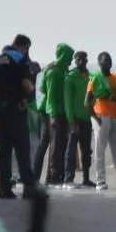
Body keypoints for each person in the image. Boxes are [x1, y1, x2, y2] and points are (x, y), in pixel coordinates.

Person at [0, 34, 36, 199]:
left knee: (3, 151)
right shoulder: (20, 60)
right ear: (25, 46)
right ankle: (28, 187)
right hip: (16, 110)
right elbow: (27, 85)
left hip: (0, 110)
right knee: (22, 149)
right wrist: (29, 92)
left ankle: (4, 188)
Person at [33, 43, 74, 187]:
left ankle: (40, 176)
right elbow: (49, 94)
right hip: (52, 111)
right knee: (54, 144)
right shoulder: (54, 71)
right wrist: (54, 115)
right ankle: (52, 178)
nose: (71, 60)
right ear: (63, 55)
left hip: (55, 110)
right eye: (69, 57)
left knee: (47, 143)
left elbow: (42, 88)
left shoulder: (62, 68)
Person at [89, 51, 116, 191]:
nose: (107, 63)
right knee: (100, 151)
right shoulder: (95, 79)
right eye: (104, 61)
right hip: (101, 116)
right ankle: (100, 181)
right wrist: (95, 118)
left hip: (115, 117)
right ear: (99, 63)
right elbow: (87, 102)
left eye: (109, 60)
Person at [63, 49, 95, 187]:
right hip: (75, 118)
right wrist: (70, 121)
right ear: (75, 61)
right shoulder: (70, 77)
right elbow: (68, 101)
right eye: (79, 60)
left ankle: (86, 178)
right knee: (71, 149)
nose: (82, 62)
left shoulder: (90, 76)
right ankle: (68, 178)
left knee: (86, 150)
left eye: (84, 59)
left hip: (87, 118)